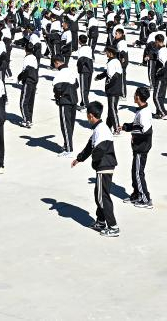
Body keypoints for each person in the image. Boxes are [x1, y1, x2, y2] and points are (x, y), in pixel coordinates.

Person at [71, 101, 120, 237]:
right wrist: (79, 159)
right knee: (98, 194)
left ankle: (113, 227)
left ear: (91, 116)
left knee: (102, 197)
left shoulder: (101, 130)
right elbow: (89, 147)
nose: (87, 118)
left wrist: (94, 162)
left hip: (105, 166)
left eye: (87, 116)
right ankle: (101, 221)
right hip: (103, 166)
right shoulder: (98, 129)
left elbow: (99, 150)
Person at [120, 86, 154, 209]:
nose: (133, 96)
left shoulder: (144, 113)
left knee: (139, 173)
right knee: (134, 172)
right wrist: (125, 127)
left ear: (138, 97)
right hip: (138, 147)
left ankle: (146, 199)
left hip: (141, 148)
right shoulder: (141, 110)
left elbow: (146, 131)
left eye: (135, 94)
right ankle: (136, 195)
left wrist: (132, 132)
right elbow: (136, 125)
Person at [52, 55, 79, 157]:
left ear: (57, 63)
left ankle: (68, 149)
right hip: (74, 101)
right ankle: (67, 144)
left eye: (54, 64)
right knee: (70, 125)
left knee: (65, 125)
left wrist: (58, 98)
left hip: (65, 102)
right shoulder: (71, 71)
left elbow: (56, 88)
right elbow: (77, 85)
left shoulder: (59, 74)